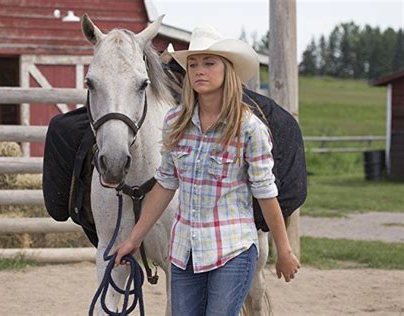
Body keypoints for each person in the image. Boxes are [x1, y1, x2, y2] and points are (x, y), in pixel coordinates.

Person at [115, 25, 300, 315]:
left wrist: (284, 250)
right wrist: (133, 239)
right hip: (183, 252)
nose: (199, 70)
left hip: (232, 251)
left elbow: (266, 193)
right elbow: (164, 184)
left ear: (228, 70)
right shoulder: (175, 122)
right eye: (193, 64)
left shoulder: (249, 129)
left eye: (209, 63)